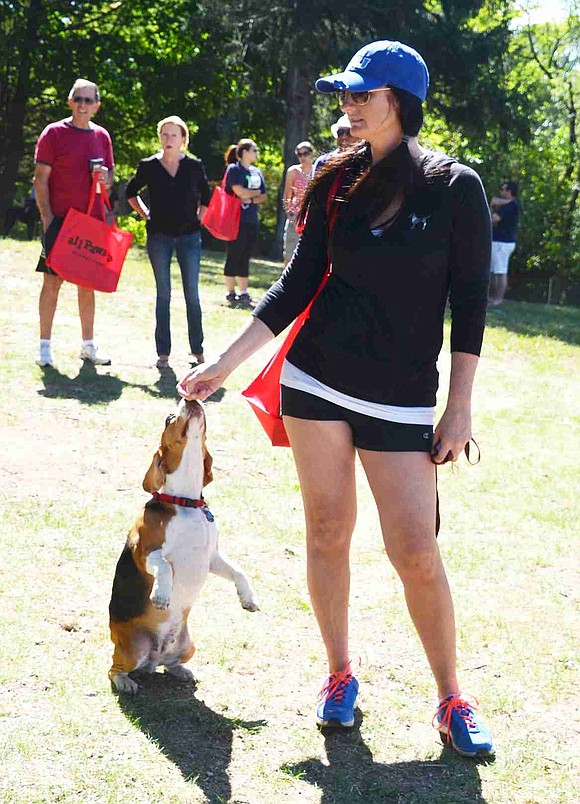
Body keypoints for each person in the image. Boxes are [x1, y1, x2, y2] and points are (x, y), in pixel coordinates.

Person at [178, 40, 494, 758]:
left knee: (414, 549)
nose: (347, 105)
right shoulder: (334, 178)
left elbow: (469, 305)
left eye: (361, 93)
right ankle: (338, 675)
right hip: (316, 381)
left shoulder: (455, 187)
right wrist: (224, 364)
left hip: (404, 397)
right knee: (326, 531)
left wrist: (460, 407)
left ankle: (451, 697)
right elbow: (296, 282)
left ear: (399, 103)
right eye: (344, 94)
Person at [34, 78, 114, 368]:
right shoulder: (53, 133)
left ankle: (88, 346)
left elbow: (111, 179)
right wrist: (47, 218)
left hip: (91, 224)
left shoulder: (102, 136)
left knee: (86, 284)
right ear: (69, 102)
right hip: (60, 222)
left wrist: (106, 178)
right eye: (77, 99)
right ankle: (44, 347)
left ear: (97, 106)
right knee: (52, 282)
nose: (82, 105)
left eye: (88, 100)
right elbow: (40, 178)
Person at [125, 115, 211, 369]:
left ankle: (197, 351)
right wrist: (145, 213)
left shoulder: (194, 166)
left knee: (191, 294)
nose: (169, 139)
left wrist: (199, 220)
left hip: (189, 237)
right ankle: (163, 353)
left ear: (183, 139)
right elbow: (131, 192)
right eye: (165, 134)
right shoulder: (149, 165)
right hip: (159, 236)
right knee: (164, 294)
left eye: (174, 135)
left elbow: (207, 195)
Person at [223, 139, 267, 308]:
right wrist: (250, 194)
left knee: (245, 255)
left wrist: (251, 196)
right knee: (234, 253)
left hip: (251, 220)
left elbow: (263, 196)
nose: (256, 153)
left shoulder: (257, 172)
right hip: (235, 219)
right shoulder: (234, 169)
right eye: (254, 150)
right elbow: (238, 191)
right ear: (244, 152)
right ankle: (230, 291)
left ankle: (243, 292)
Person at [282, 141, 315, 264]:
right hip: (296, 216)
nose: (302, 157)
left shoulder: (317, 170)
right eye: (299, 154)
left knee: (308, 254)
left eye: (305, 153)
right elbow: (286, 195)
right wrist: (289, 214)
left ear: (311, 154)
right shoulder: (293, 171)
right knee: (290, 253)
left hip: (312, 216)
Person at [488, 181, 520, 306]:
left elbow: (493, 219)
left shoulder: (511, 206)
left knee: (500, 272)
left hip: (502, 243)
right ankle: (494, 298)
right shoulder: (511, 205)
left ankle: (498, 299)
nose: (501, 191)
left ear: (509, 191)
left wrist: (490, 207)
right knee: (495, 271)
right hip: (501, 242)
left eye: (503, 189)